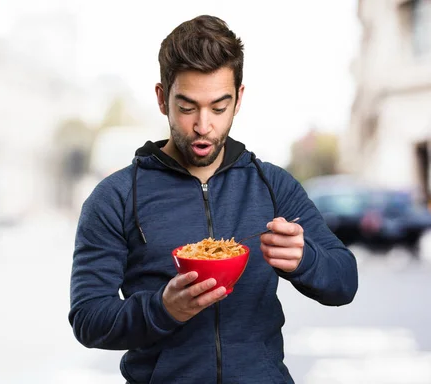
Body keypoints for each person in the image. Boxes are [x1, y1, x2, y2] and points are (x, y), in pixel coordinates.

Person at [68, 15, 358, 384]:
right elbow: (88, 318)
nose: (203, 126)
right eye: (187, 107)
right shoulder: (115, 197)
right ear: (162, 98)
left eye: (218, 108)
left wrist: (305, 259)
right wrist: (162, 309)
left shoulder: (273, 186)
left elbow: (345, 282)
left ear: (238, 99)